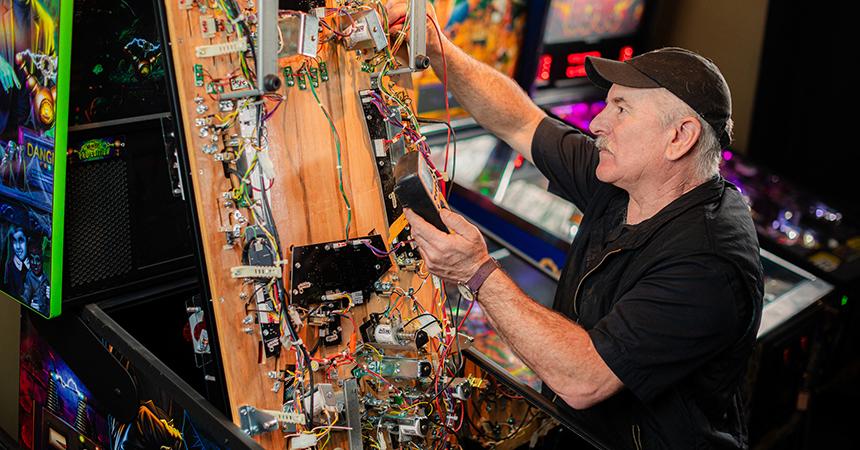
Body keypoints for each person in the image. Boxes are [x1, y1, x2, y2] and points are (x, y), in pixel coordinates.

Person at [387, 2, 764, 449]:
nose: (598, 123)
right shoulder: (626, 178)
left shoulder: (709, 263)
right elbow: (521, 120)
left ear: (679, 137)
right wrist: (437, 47)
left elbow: (583, 378)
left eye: (621, 110)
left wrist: (476, 270)